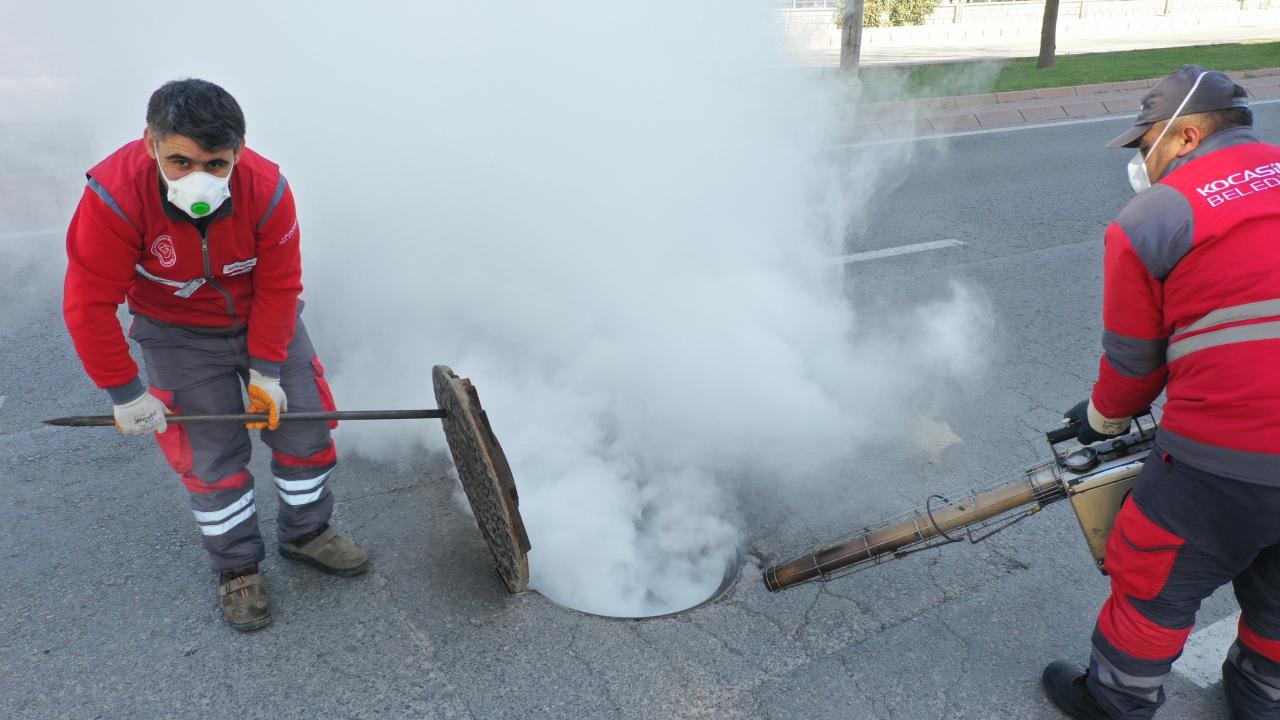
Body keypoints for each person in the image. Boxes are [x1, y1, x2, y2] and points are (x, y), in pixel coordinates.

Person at [63, 79, 368, 632]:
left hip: (261, 319)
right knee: (210, 458)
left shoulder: (268, 189)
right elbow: (88, 306)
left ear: (239, 152)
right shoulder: (113, 196)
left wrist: (269, 368)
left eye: (217, 164)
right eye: (180, 161)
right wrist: (126, 394)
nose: (198, 178)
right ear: (151, 143)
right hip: (175, 334)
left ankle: (307, 533)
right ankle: (237, 566)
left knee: (306, 428)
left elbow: (280, 285)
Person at [1041, 65, 1280, 719]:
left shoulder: (1152, 216)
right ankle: (1263, 690)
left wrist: (1100, 420)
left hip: (1227, 458)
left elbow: (1134, 370)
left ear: (1186, 136)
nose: (1143, 158)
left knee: (1154, 568)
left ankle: (1115, 698)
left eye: (1146, 143)